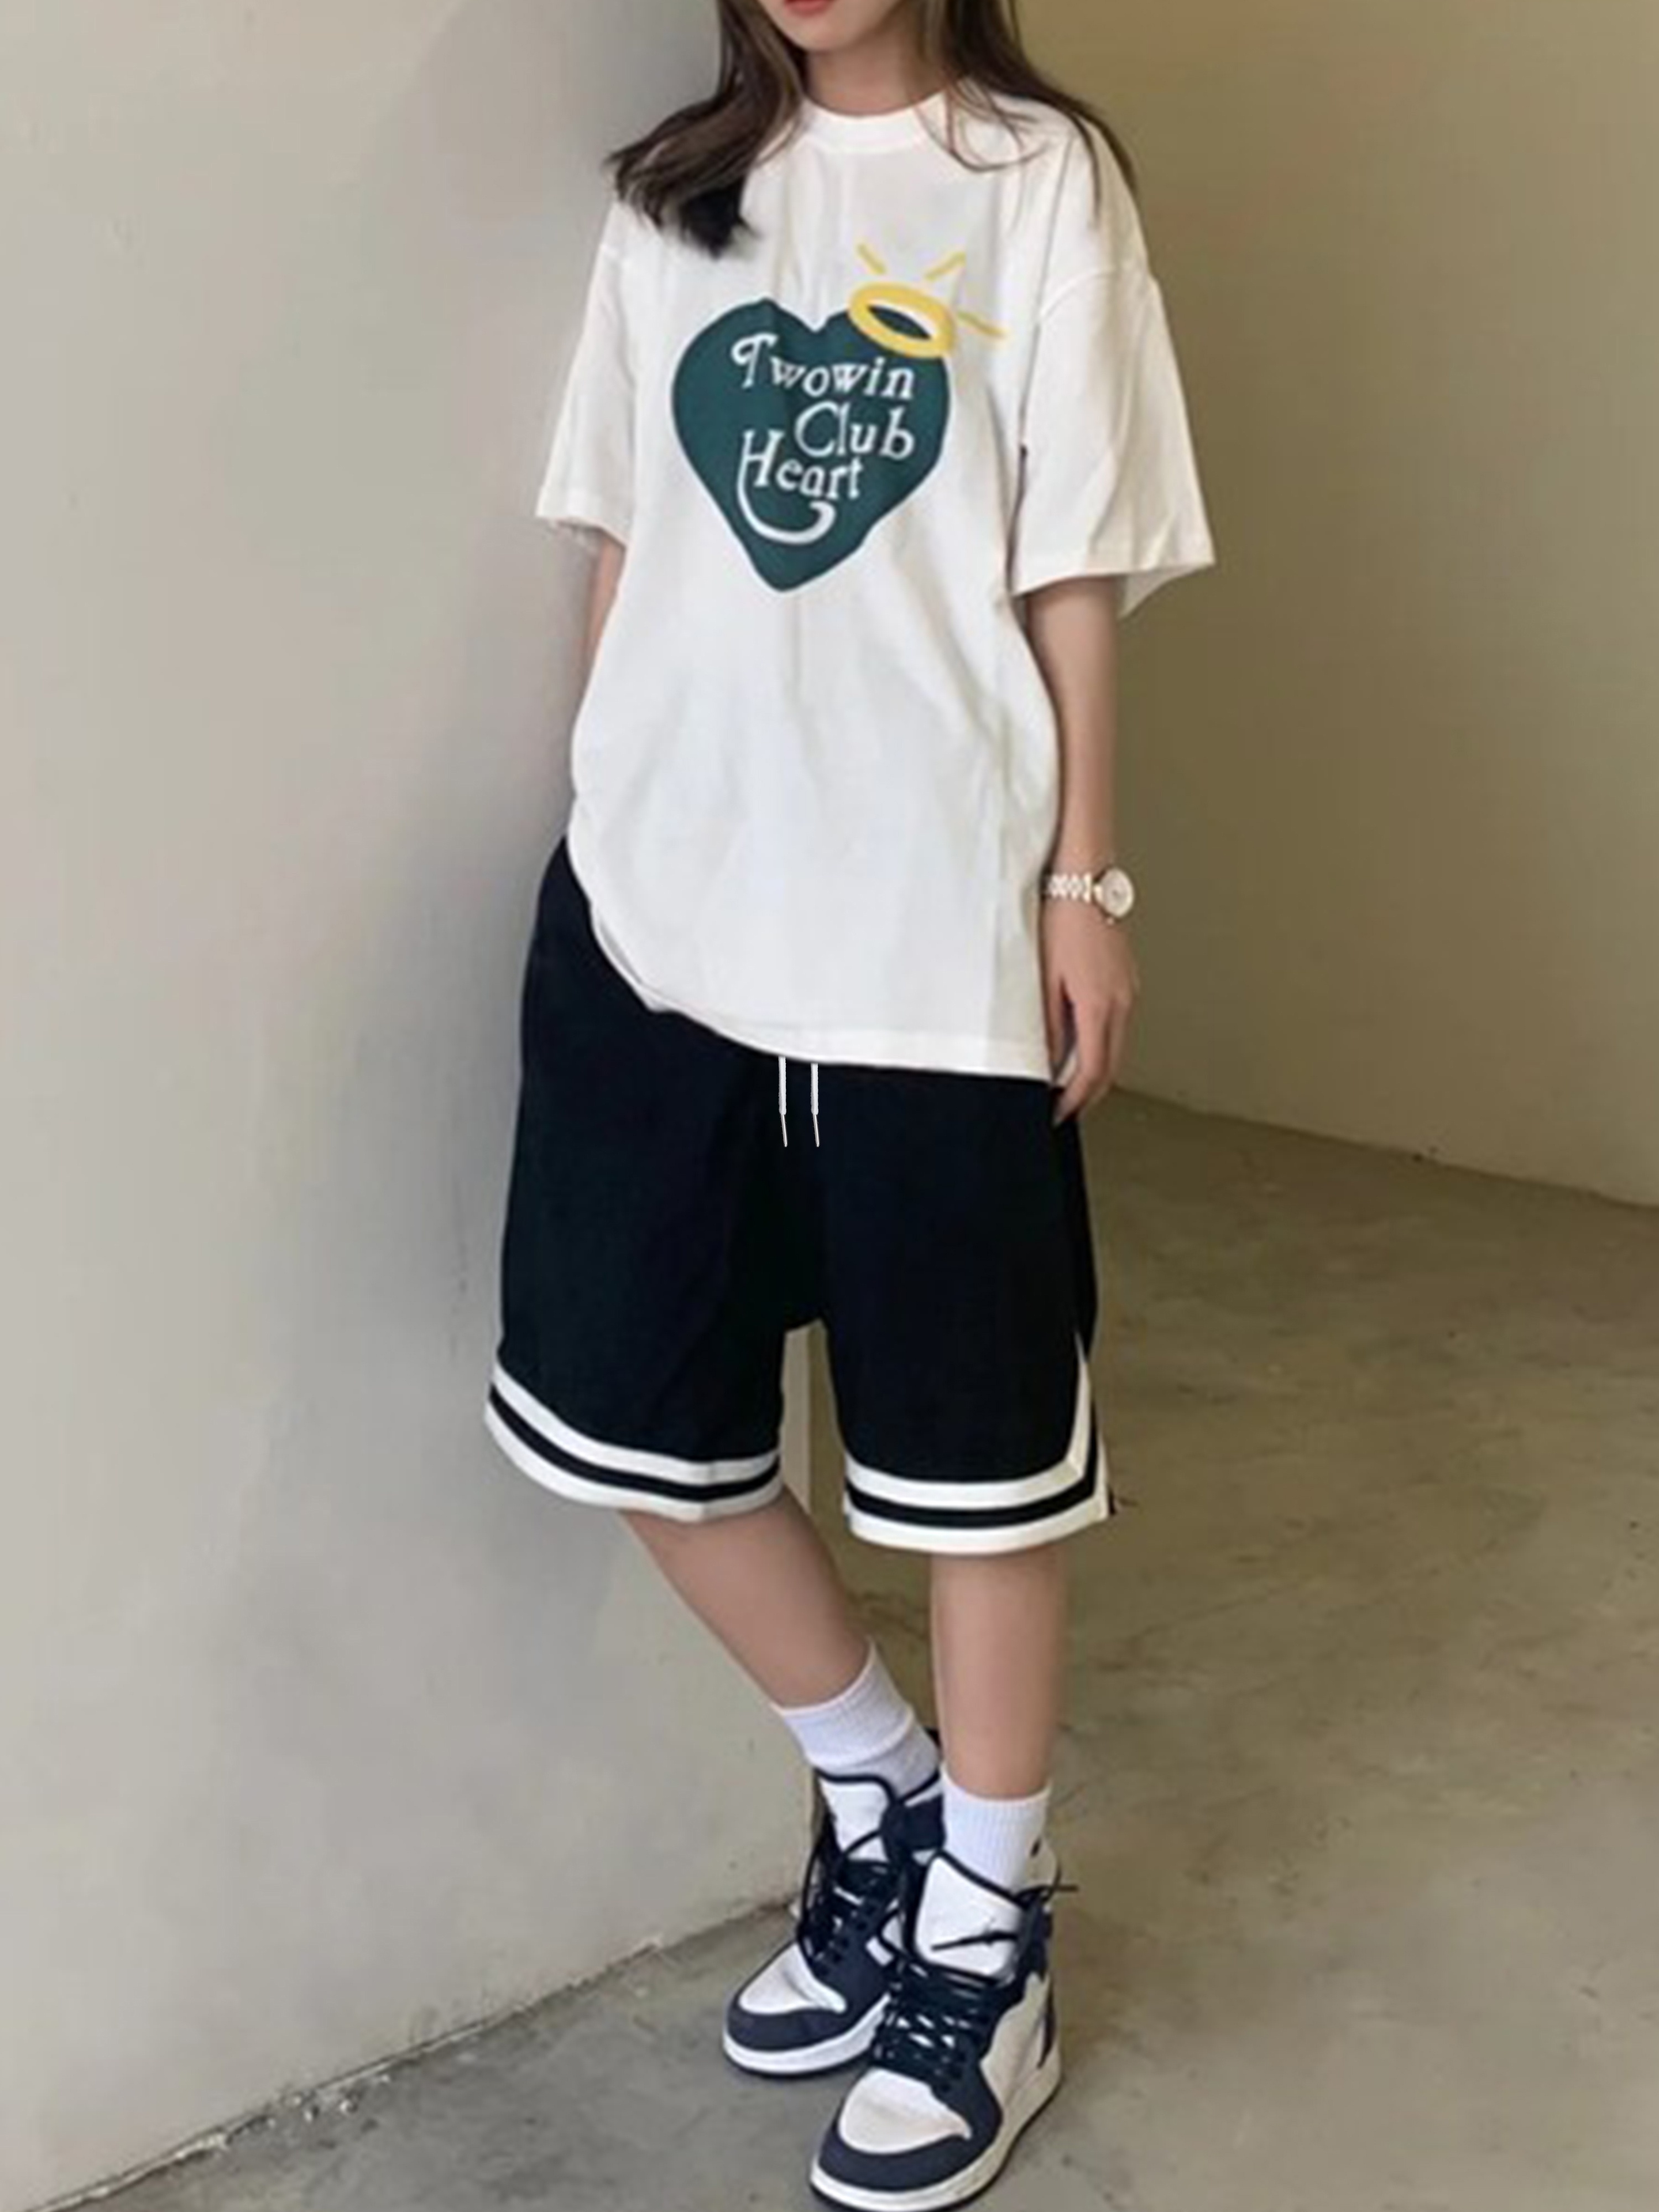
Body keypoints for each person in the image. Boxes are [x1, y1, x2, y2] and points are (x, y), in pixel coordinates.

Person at [483, 2, 1214, 2203]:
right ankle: (881, 1796)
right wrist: (606, 803)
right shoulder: (672, 198)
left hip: (932, 906)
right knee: (624, 1399)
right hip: (664, 897)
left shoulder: (1040, 183)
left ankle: (989, 1928)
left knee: (976, 1453)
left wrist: (1084, 879)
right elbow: (622, 532)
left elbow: (1071, 561)